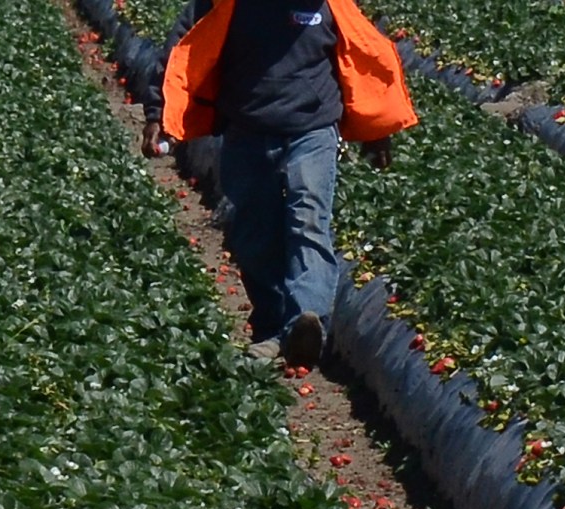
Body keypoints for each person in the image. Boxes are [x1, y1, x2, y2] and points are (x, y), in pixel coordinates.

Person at [158, 0, 416, 370]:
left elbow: (360, 56)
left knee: (308, 220)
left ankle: (304, 322)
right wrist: (157, 109)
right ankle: (272, 329)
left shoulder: (331, 5)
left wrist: (378, 130)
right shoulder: (224, 4)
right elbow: (183, 47)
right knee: (254, 234)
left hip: (312, 131)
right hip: (246, 130)